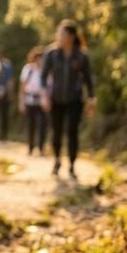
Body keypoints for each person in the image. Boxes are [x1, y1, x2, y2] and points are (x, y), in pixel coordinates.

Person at [41, 20, 95, 178]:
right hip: (55, 99)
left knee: (72, 131)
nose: (59, 36)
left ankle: (72, 165)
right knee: (56, 131)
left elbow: (88, 79)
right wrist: (44, 97)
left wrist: (91, 98)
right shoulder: (51, 53)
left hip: (74, 99)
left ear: (71, 36)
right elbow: (43, 77)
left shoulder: (81, 55)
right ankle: (57, 159)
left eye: (62, 33)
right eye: (58, 33)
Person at [18, 45, 47, 155]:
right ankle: (30, 147)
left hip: (42, 101)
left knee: (43, 125)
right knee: (31, 125)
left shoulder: (46, 71)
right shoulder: (28, 69)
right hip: (30, 100)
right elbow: (22, 87)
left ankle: (41, 147)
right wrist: (21, 102)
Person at [0, 50, 14, 140]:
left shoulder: (7, 65)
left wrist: (10, 93)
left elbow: (10, 79)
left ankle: (4, 135)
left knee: (4, 115)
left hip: (5, 93)